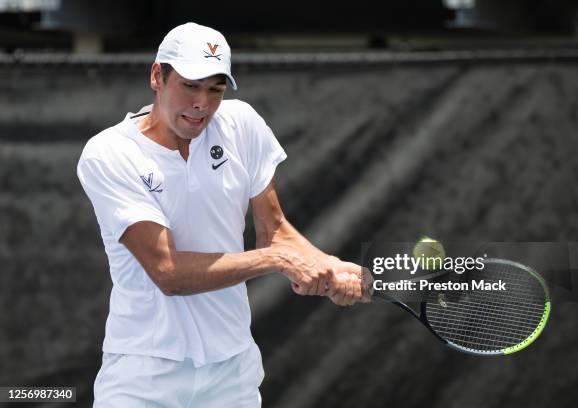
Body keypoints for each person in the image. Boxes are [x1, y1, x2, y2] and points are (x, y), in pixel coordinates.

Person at [77, 22, 372, 407]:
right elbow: (168, 272)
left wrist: (331, 267)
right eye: (190, 85)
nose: (202, 103)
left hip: (232, 372)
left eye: (215, 89)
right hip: (144, 372)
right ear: (157, 76)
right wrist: (278, 260)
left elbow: (276, 230)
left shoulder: (241, 124)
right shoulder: (109, 154)